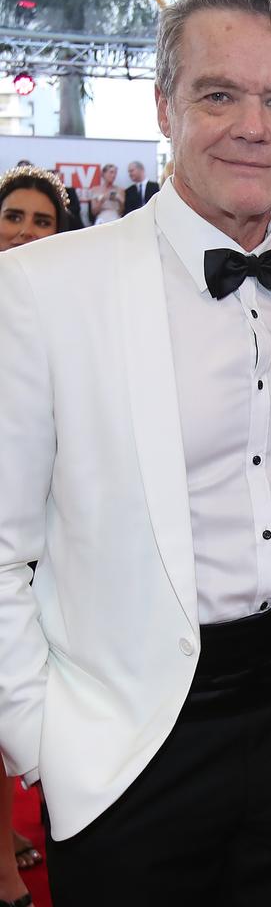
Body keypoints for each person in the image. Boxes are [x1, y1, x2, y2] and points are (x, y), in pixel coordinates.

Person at [0, 0, 271, 907]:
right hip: (129, 740)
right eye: (219, 94)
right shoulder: (44, 289)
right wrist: (42, 737)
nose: (253, 125)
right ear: (164, 107)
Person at [0, 164, 70, 907]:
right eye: (14, 215)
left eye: (41, 221)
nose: (24, 230)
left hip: (33, 541)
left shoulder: (60, 313)